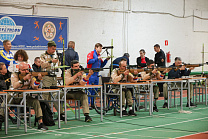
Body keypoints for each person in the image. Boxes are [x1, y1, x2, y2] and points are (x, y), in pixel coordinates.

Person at [0, 62, 48, 130]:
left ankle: (40, 123)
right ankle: (0, 120)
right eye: (24, 70)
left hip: (24, 97)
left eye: (27, 69)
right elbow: (15, 85)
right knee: (6, 101)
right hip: (13, 96)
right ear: (19, 69)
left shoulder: (30, 75)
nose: (26, 71)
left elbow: (34, 86)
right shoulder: (14, 75)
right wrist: (24, 79)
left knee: (36, 101)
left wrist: (38, 79)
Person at [87, 43, 110, 108]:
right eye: (100, 48)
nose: (101, 50)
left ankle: (93, 104)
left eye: (101, 48)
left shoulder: (99, 55)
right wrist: (97, 58)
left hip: (96, 74)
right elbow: (89, 61)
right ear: (96, 47)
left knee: (95, 89)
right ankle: (88, 104)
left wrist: (106, 60)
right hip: (90, 74)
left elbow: (101, 65)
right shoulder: (91, 53)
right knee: (89, 89)